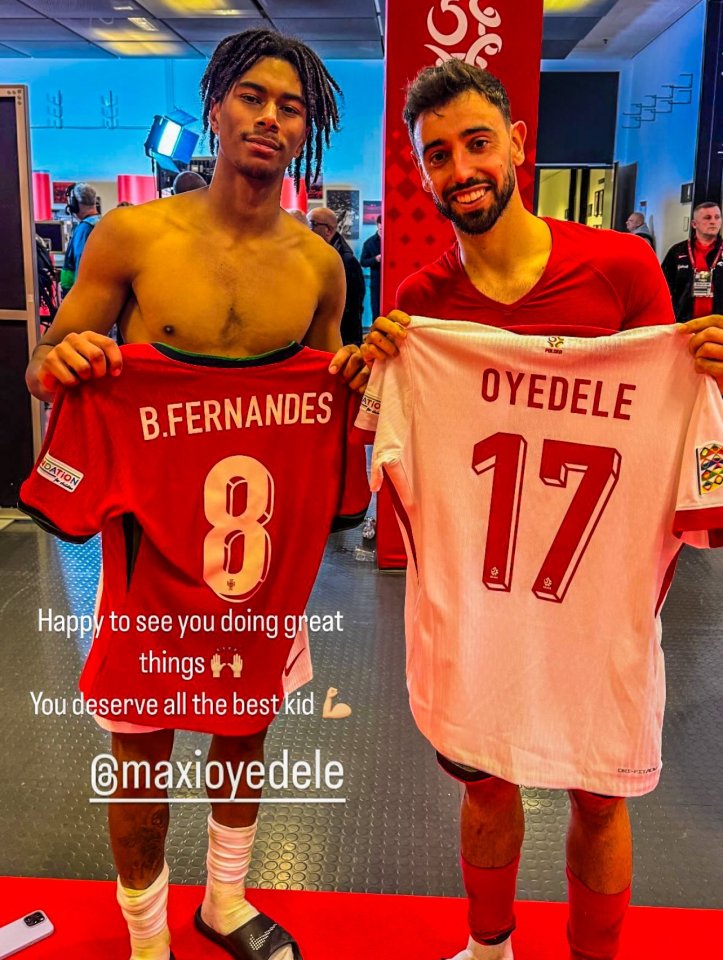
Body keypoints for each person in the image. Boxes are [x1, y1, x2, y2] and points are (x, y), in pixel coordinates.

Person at [362, 60, 723, 960]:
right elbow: (383, 464)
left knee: (599, 793)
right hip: (478, 605)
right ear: (422, 173)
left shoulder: (624, 267)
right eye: (435, 155)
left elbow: (677, 408)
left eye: (476, 142)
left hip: (598, 605)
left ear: (518, 143)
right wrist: (368, 372)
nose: (460, 168)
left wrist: (710, 365)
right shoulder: (420, 309)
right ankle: (489, 947)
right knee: (484, 785)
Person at [25, 28, 367, 960]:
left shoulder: (321, 267)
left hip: (259, 560)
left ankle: (225, 902)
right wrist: (64, 359)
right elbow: (41, 366)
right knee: (140, 751)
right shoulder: (133, 236)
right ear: (214, 107)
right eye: (251, 97)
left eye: (289, 105)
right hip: (146, 549)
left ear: (307, 129)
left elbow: (337, 389)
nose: (268, 117)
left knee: (243, 732)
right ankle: (145, 941)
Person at [309, 206, 365, 345]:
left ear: (328, 230)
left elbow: (351, 310)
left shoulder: (346, 262)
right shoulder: (324, 255)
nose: (306, 229)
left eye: (312, 224)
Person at [661, 201, 723, 321]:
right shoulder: (677, 252)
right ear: (694, 224)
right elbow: (663, 289)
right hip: (683, 322)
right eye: (707, 217)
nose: (713, 221)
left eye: (717, 217)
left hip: (718, 324)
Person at [60, 182, 100, 296]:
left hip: (81, 295)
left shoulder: (84, 228)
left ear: (75, 204)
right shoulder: (103, 223)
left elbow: (81, 263)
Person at [360, 214, 382, 320]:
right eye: (381, 226)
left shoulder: (394, 240)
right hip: (376, 282)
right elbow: (363, 261)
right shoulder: (369, 243)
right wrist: (375, 259)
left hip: (392, 281)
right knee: (376, 309)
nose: (383, 229)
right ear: (377, 225)